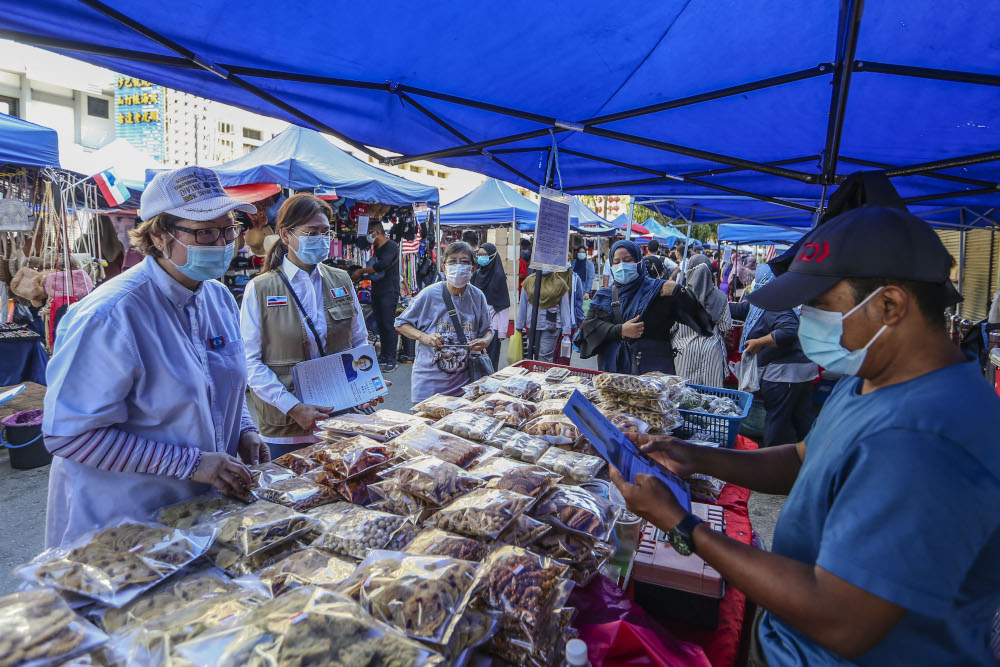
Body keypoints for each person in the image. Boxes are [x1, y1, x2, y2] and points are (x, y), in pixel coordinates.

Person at [609, 206, 1000, 666]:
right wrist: (695, 456)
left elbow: (843, 621)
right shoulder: (871, 376)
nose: (807, 317)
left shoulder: (931, 438)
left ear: (889, 305)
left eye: (820, 304)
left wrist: (683, 525)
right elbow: (805, 457)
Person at [41, 167, 268, 547]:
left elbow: (223, 382)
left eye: (229, 228)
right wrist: (191, 463)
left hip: (200, 514)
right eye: (205, 232)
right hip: (124, 524)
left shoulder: (218, 298)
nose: (223, 243)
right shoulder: (111, 315)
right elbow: (68, 436)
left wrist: (243, 429)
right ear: (160, 235)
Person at [241, 194, 372, 458]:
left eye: (325, 232)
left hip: (339, 417)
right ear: (286, 235)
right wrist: (293, 407)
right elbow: (249, 362)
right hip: (285, 427)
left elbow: (359, 341)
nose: (321, 239)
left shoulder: (340, 279)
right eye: (311, 232)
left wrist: (368, 382)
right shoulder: (260, 288)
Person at [577, 239, 712, 374]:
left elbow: (702, 322)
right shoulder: (604, 296)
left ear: (639, 262)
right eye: (616, 262)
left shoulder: (660, 291)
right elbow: (588, 329)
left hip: (653, 378)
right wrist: (620, 330)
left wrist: (679, 292)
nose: (622, 266)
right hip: (613, 376)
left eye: (628, 260)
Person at [731, 264, 818, 446]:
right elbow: (744, 310)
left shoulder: (774, 303)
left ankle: (769, 460)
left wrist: (758, 342)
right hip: (801, 370)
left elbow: (788, 330)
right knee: (802, 418)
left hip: (783, 374)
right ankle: (809, 456)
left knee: (776, 420)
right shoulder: (775, 300)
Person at [395, 242, 494, 402]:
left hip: (467, 387)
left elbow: (489, 330)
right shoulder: (428, 295)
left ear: (473, 268)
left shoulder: (477, 296)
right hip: (429, 386)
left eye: (464, 261)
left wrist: (484, 341)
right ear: (444, 267)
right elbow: (401, 323)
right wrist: (423, 337)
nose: (458, 266)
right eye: (453, 261)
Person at [672, 257, 732, 387]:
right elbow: (725, 326)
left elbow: (671, 328)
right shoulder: (721, 297)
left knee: (685, 396)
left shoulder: (679, 296)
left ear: (689, 272)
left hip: (684, 351)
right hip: (712, 350)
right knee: (712, 398)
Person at [352, 221, 400, 372]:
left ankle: (392, 358)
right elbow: (376, 271)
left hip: (389, 291)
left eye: (370, 232)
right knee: (380, 324)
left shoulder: (391, 246)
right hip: (377, 290)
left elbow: (382, 265)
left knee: (388, 324)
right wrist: (364, 274)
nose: (368, 236)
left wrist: (361, 271)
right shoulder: (377, 248)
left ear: (377, 232)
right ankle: (384, 355)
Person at [516, 267, 573, 362]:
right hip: (532, 324)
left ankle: (542, 375)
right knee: (534, 354)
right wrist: (519, 325)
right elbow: (523, 304)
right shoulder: (529, 281)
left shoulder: (560, 283)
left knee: (545, 357)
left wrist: (566, 330)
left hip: (551, 325)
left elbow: (565, 307)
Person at [471, 242, 510, 371]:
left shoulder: (499, 277)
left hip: (493, 328)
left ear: (493, 256)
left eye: (485, 255)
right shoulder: (476, 275)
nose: (481, 257)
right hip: (476, 326)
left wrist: (502, 332)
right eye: (479, 255)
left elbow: (503, 305)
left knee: (490, 362)